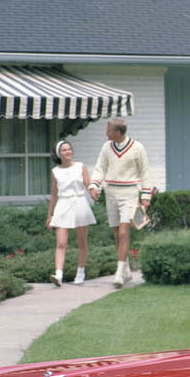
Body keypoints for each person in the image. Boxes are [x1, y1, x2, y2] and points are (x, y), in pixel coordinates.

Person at [88, 118, 152, 288]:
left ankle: (119, 273)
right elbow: (100, 168)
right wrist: (94, 185)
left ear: (117, 132)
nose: (105, 133)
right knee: (117, 234)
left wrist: (146, 196)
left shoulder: (137, 147)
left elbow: (145, 172)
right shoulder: (106, 147)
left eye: (108, 130)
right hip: (111, 193)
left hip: (129, 193)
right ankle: (126, 269)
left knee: (124, 232)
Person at [46, 141, 96, 287]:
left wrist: (93, 193)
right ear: (58, 154)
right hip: (63, 205)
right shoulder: (55, 171)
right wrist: (50, 215)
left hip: (79, 203)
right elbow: (54, 194)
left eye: (69, 149)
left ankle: (80, 272)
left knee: (82, 242)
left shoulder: (80, 166)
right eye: (64, 150)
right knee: (61, 243)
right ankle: (58, 274)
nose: (67, 152)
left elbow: (88, 184)